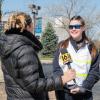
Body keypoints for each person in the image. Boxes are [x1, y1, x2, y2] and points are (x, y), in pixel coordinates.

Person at [0, 12, 76, 100]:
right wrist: (62, 79)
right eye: (32, 24)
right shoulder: (24, 49)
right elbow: (34, 85)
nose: (33, 26)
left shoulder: (8, 45)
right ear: (28, 26)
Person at [53, 15, 100, 100]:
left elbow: (95, 72)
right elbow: (56, 70)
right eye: (71, 27)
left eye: (77, 26)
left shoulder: (91, 48)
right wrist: (65, 84)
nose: (73, 29)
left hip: (85, 94)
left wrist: (84, 87)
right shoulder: (62, 46)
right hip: (64, 94)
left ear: (83, 28)